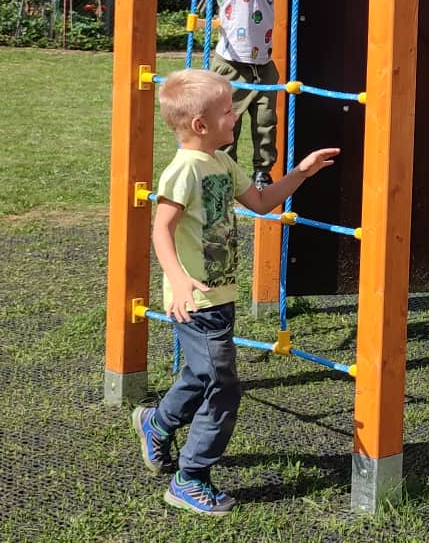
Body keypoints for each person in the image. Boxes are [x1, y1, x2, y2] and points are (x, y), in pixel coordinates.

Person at [133, 69, 340, 516]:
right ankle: (190, 477)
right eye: (228, 111)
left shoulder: (222, 163)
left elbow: (262, 203)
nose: (235, 116)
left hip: (220, 295)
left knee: (200, 374)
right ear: (201, 125)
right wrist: (178, 279)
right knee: (222, 387)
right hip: (194, 300)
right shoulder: (184, 170)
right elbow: (161, 230)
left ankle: (157, 423)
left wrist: (301, 173)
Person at [208, 0, 289, 188]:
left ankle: (262, 171)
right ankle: (224, 172)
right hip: (231, 65)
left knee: (266, 122)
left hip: (263, 66)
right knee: (227, 124)